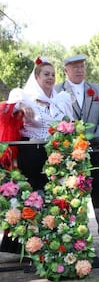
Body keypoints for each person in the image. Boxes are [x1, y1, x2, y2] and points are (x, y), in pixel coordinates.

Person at [1, 56, 73, 253]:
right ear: (37, 76)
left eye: (52, 75)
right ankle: (22, 244)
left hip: (54, 155)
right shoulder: (24, 95)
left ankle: (48, 241)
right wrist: (21, 108)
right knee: (30, 196)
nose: (50, 78)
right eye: (45, 74)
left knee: (51, 197)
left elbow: (71, 125)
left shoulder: (61, 100)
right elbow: (6, 112)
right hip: (30, 153)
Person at [55, 54, 99, 246]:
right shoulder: (58, 90)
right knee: (71, 192)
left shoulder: (96, 90)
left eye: (82, 66)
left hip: (94, 148)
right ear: (66, 69)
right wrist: (72, 140)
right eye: (74, 67)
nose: (79, 69)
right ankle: (72, 235)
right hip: (69, 150)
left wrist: (94, 139)